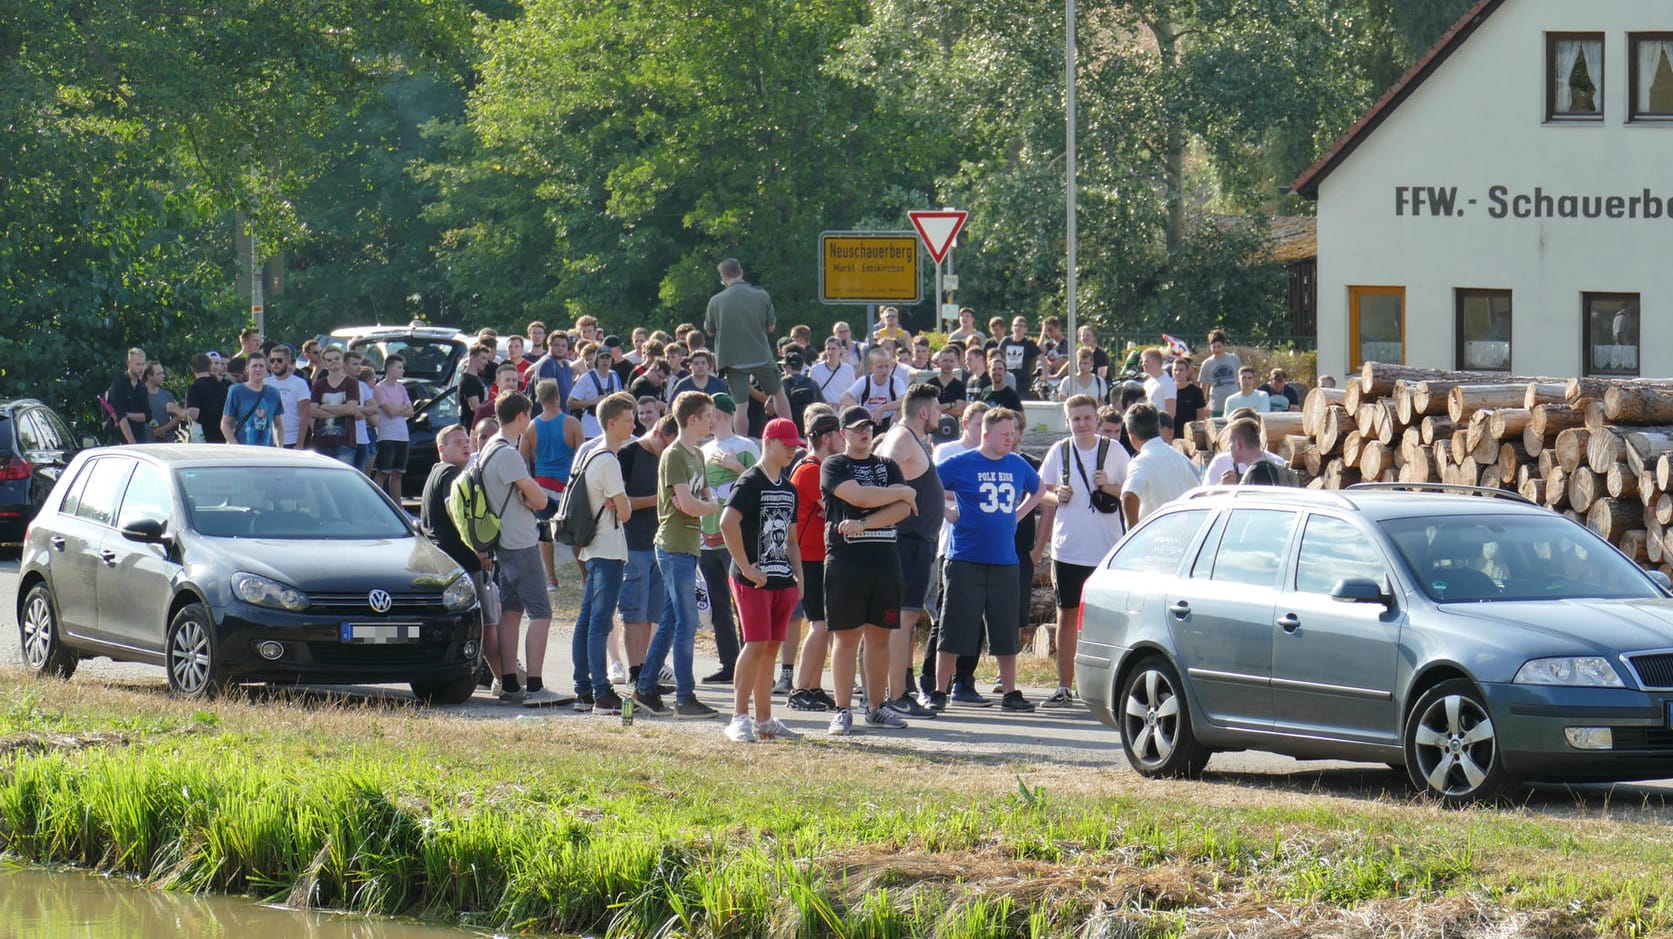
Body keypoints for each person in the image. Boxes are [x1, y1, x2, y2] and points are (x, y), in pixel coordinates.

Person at [931, 407, 1043, 712]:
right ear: (987, 434)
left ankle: (1010, 692)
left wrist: (1018, 515)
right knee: (953, 627)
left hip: (1004, 560)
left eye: (1014, 433)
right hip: (965, 558)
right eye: (1005, 434)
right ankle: (940, 690)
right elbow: (928, 486)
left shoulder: (1017, 464)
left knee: (1006, 629)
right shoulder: (961, 462)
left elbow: (1039, 489)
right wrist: (948, 512)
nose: (1011, 439)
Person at [821, 406, 919, 734]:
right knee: (846, 638)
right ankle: (842, 709)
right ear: (842, 434)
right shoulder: (835, 464)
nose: (863, 432)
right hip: (846, 561)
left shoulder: (888, 465)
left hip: (884, 560)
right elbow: (859, 496)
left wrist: (863, 524)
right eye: (855, 428)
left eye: (867, 427)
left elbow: (903, 510)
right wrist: (901, 492)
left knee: (880, 638)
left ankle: (877, 707)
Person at [633, 391, 723, 720]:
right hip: (672, 547)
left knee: (672, 621)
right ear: (692, 419)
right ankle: (685, 697)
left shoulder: (697, 455)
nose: (713, 419)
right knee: (687, 623)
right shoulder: (674, 456)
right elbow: (689, 504)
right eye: (709, 414)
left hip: (689, 544)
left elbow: (706, 500)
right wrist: (704, 506)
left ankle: (644, 689)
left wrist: (704, 505)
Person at [1035, 394, 1128, 707]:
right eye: (1076, 419)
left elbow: (1130, 493)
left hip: (1106, 549)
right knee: (1067, 615)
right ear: (1067, 421)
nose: (1082, 424)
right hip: (1068, 549)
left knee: (1108, 620)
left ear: (1096, 419)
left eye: (1087, 418)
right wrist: (1056, 495)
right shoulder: (1059, 451)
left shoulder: (1113, 450)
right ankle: (1064, 686)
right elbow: (1040, 492)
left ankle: (1110, 688)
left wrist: (1108, 487)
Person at [478, 391, 570, 707]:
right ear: (520, 416)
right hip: (520, 541)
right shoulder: (508, 453)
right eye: (527, 416)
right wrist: (531, 497)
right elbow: (541, 500)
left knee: (512, 614)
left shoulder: (489, 448)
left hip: (502, 542)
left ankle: (508, 684)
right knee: (541, 613)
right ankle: (534, 686)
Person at [718, 417, 805, 742]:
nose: (791, 453)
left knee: (771, 647)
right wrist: (745, 566)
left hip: (782, 578)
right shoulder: (750, 480)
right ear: (769, 442)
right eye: (787, 446)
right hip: (751, 578)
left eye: (795, 447)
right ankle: (739, 717)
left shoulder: (789, 487)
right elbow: (728, 522)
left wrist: (799, 576)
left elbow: (792, 540)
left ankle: (764, 719)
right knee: (754, 643)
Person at [873, 384, 944, 720]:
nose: (941, 415)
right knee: (902, 619)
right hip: (907, 540)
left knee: (903, 619)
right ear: (923, 412)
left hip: (915, 541)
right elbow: (879, 480)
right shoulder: (902, 438)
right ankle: (897, 694)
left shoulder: (906, 437)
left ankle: (890, 691)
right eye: (937, 408)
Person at [570, 392, 635, 716]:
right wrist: (621, 503)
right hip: (607, 549)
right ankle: (600, 692)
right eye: (628, 420)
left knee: (587, 621)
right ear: (611, 423)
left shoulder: (591, 454)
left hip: (593, 547)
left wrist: (619, 502)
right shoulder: (608, 460)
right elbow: (625, 513)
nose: (633, 425)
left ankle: (583, 689)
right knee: (599, 623)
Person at [921, 401, 988, 703]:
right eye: (978, 426)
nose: (982, 432)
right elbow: (934, 488)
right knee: (947, 618)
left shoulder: (996, 456)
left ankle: (965, 679)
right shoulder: (948, 452)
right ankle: (930, 681)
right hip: (952, 546)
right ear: (965, 424)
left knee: (976, 619)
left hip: (983, 547)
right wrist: (970, 491)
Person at [697, 393, 759, 683]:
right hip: (708, 536)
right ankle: (729, 664)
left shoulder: (746, 447)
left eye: (708, 413)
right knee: (719, 603)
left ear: (717, 414)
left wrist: (736, 467)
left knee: (744, 603)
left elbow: (763, 485)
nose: (707, 419)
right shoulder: (703, 450)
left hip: (737, 537)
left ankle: (754, 663)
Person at [786, 408, 843, 711]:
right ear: (825, 437)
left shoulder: (819, 468)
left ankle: (813, 686)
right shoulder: (810, 470)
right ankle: (800, 690)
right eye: (838, 434)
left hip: (820, 556)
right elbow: (840, 507)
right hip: (810, 558)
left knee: (825, 626)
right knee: (819, 625)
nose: (842, 439)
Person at [617, 414, 678, 691]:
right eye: (664, 446)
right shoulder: (628, 454)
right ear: (656, 432)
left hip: (658, 544)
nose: (664, 454)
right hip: (633, 544)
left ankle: (645, 674)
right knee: (634, 614)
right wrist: (658, 500)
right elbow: (620, 501)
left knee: (652, 615)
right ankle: (634, 671)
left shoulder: (667, 455)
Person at [705, 258, 790, 438]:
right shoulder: (761, 295)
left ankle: (742, 442)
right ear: (741, 272)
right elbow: (771, 327)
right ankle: (790, 434)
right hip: (761, 355)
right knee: (778, 393)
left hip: (733, 360)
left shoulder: (716, 301)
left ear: (723, 277)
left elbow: (710, 331)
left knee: (741, 406)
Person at [522, 378, 583, 589]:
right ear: (558, 396)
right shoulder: (572, 423)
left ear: (539, 399)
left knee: (545, 535)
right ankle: (585, 576)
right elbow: (581, 458)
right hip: (566, 486)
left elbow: (523, 460)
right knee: (573, 533)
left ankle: (551, 578)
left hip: (541, 486)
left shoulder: (531, 426)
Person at [1120, 404, 1197, 528]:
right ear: (1157, 426)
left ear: (1131, 434)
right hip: (1184, 535)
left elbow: (1129, 496)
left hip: (1154, 538)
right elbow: (1200, 493)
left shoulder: (1140, 462)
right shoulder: (1181, 458)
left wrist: (1133, 532)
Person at [309, 347, 361, 465]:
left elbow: (351, 409)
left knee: (343, 480)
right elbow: (312, 411)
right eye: (329, 360)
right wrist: (341, 410)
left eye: (337, 358)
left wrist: (325, 407)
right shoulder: (319, 384)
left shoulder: (351, 382)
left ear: (342, 360)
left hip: (345, 442)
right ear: (324, 363)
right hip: (320, 443)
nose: (334, 362)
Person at [372, 354, 414, 499]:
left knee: (398, 473)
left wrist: (399, 409)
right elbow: (390, 412)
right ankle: (376, 502)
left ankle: (398, 507)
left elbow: (411, 411)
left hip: (402, 435)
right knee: (383, 472)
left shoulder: (401, 388)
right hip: (387, 435)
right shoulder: (379, 388)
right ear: (389, 368)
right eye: (399, 367)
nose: (402, 370)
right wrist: (402, 408)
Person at [220, 355, 284, 447]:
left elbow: (279, 424)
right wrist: (235, 446)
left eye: (261, 366)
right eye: (254, 366)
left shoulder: (274, 393)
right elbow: (225, 423)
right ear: (247, 369)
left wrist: (280, 446)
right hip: (243, 450)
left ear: (266, 369)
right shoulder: (236, 391)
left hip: (267, 450)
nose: (258, 369)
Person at [839, 347, 906, 429]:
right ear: (871, 368)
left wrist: (882, 409)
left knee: (902, 410)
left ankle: (895, 437)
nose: (884, 370)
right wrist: (865, 411)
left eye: (886, 366)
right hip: (865, 420)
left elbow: (904, 401)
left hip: (888, 420)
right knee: (844, 408)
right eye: (880, 367)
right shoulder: (864, 381)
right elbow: (844, 398)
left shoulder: (895, 381)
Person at [263, 345, 311, 449]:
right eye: (272, 360)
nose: (275, 364)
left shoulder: (299, 384)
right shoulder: (265, 383)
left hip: (291, 440)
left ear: (288, 361)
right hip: (269, 440)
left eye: (279, 360)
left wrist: (299, 444)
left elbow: (305, 416)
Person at [571, 349, 624, 438]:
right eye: (602, 358)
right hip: (591, 427)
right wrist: (593, 402)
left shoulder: (614, 376)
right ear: (597, 360)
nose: (605, 361)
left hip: (610, 427)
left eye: (608, 358)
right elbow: (571, 403)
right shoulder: (586, 378)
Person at [107, 348, 151, 445]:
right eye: (138, 364)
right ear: (129, 363)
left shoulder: (142, 386)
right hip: (122, 441)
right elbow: (121, 417)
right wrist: (132, 443)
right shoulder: (118, 384)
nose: (141, 368)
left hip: (140, 438)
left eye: (143, 364)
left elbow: (147, 416)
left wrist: (128, 415)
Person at [1198, 329, 1242, 417]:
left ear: (1224, 345)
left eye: (1219, 346)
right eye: (1214, 347)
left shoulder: (1234, 359)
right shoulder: (1207, 364)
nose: (1216, 350)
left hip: (1234, 405)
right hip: (1216, 406)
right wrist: (1202, 407)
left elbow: (1240, 379)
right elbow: (1203, 387)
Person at [185, 353, 227, 444]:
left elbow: (193, 415)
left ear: (192, 369)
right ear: (209, 367)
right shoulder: (222, 386)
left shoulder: (195, 387)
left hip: (204, 436)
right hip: (222, 434)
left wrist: (175, 409)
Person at [526, 333, 575, 410]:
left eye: (563, 346)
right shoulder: (547, 363)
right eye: (557, 345)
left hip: (564, 414)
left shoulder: (565, 364)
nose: (560, 348)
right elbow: (548, 397)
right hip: (550, 415)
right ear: (549, 345)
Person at [778, 349, 820, 433]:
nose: (783, 369)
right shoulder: (812, 383)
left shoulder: (783, 383)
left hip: (790, 430)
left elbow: (769, 409)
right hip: (809, 429)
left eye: (783, 366)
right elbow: (822, 406)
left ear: (788, 367)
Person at [999, 317, 1042, 398]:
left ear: (1025, 329)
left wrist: (1045, 374)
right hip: (1006, 380)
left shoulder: (1029, 343)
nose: (1018, 328)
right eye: (1016, 325)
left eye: (1021, 326)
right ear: (1012, 328)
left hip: (1023, 384)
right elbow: (996, 356)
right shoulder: (1005, 341)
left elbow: (1042, 358)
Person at [143, 361, 185, 442]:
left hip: (166, 443)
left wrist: (165, 428)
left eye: (163, 373)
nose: (163, 376)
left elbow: (177, 417)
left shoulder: (167, 395)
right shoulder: (140, 395)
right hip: (145, 443)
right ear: (149, 376)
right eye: (159, 374)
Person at [809, 336, 857, 405]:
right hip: (823, 408)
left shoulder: (848, 369)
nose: (830, 352)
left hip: (841, 408)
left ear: (840, 350)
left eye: (834, 349)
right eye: (828, 349)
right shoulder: (816, 369)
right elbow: (812, 392)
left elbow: (852, 392)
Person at [458, 343, 493, 430]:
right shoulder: (468, 381)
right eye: (483, 358)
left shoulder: (475, 378)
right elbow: (476, 408)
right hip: (472, 428)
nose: (486, 362)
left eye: (487, 359)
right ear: (472, 358)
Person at [1171, 357, 1207, 436]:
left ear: (1187, 372)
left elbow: (1200, 417)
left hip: (1189, 435)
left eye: (1181, 370)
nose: (1177, 372)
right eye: (1175, 370)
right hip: (1170, 434)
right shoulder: (1167, 390)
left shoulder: (1196, 391)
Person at [1141, 348, 1177, 416]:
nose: (1143, 364)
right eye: (1142, 362)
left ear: (1156, 362)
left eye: (1146, 361)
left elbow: (1171, 413)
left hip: (1161, 424)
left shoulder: (1167, 382)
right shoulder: (1147, 383)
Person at [1038, 316, 1070, 381]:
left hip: (1060, 380)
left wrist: (1044, 360)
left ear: (1058, 328)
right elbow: (1037, 351)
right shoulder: (1049, 344)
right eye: (1047, 331)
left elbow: (1059, 365)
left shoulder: (1066, 344)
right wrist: (1043, 333)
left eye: (1050, 330)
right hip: (1047, 379)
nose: (1049, 333)